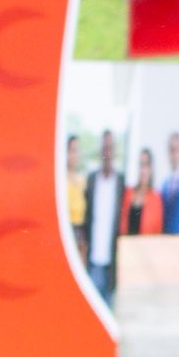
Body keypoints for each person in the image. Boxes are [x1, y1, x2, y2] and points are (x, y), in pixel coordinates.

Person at [84, 130, 122, 305]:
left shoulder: (120, 181)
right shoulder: (92, 180)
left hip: (112, 264)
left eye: (110, 148)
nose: (107, 152)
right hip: (93, 262)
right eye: (104, 148)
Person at [122, 148, 164, 237]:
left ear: (151, 169)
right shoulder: (127, 193)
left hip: (145, 245)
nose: (143, 170)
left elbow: (158, 232)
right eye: (141, 165)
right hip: (125, 244)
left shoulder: (156, 199)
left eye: (146, 165)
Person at [65, 133, 89, 261]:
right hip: (66, 231)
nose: (75, 155)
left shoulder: (82, 180)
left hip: (80, 234)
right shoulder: (60, 180)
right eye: (72, 150)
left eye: (77, 151)